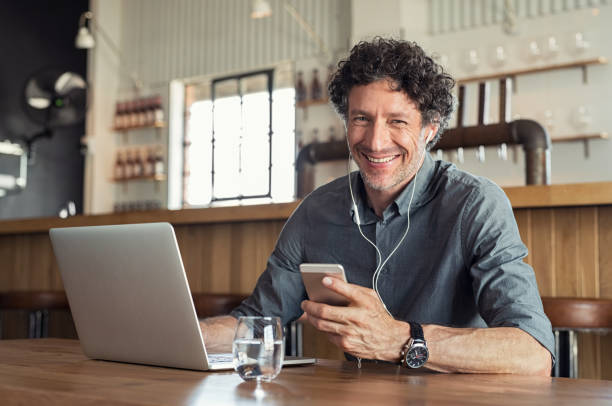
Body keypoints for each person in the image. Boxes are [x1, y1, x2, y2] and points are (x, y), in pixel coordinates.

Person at [201, 38, 554, 375]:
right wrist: (173, 334)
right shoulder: (316, 212)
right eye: (361, 119)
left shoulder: (475, 205)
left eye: (397, 121)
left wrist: (400, 339)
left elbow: (533, 355)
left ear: (429, 129)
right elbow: (257, 321)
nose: (375, 141)